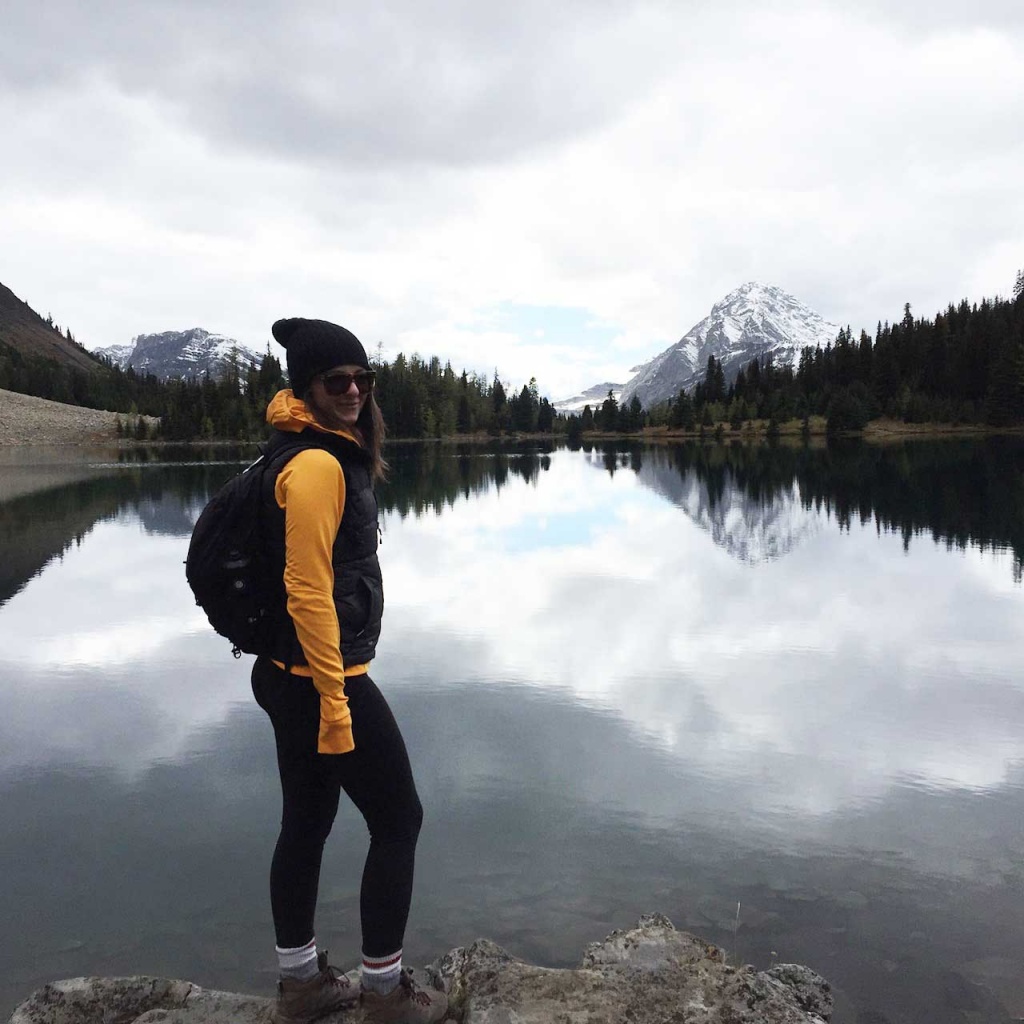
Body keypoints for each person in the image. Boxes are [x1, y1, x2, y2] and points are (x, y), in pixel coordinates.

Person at [250, 317, 447, 1024]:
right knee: (400, 820)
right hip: (319, 680)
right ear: (306, 388)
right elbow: (307, 591)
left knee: (306, 820)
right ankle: (386, 995)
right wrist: (337, 702)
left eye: (365, 379)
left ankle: (301, 986)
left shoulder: (313, 452)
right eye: (339, 381)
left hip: (288, 674)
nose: (356, 391)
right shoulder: (316, 466)